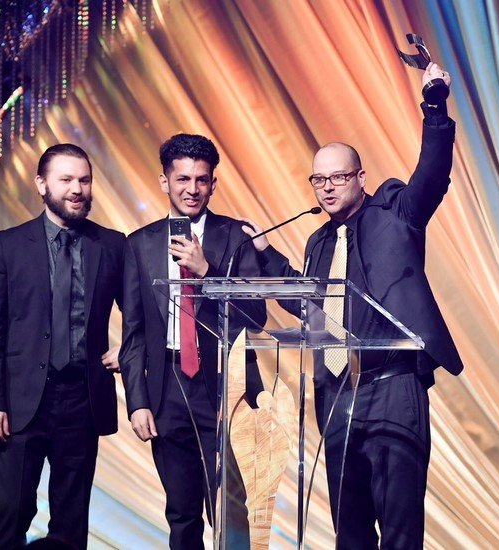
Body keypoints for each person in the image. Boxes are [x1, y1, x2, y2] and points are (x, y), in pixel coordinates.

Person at [241, 62, 463, 549]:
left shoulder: (396, 214)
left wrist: (435, 105)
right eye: (318, 180)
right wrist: (264, 254)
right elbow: (311, 308)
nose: (327, 187)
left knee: (400, 528)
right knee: (351, 530)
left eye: (338, 176)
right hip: (337, 392)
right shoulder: (317, 242)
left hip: (392, 385)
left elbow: (433, 170)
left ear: (360, 176)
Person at [118, 133, 265, 549]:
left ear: (214, 184)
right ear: (164, 181)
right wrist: (138, 400)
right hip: (167, 388)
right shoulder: (139, 244)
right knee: (181, 514)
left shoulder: (235, 236)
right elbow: (133, 334)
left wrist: (208, 272)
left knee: (232, 508)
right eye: (182, 179)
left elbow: (257, 316)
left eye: (202, 180)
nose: (192, 189)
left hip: (225, 386)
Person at [0, 144, 124, 549]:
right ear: (41, 184)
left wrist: (127, 349)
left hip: (82, 399)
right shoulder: (9, 244)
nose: (78, 189)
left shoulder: (112, 245)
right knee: (13, 511)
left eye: (84, 180)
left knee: (72, 519)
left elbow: (142, 313)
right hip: (22, 402)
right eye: (67, 179)